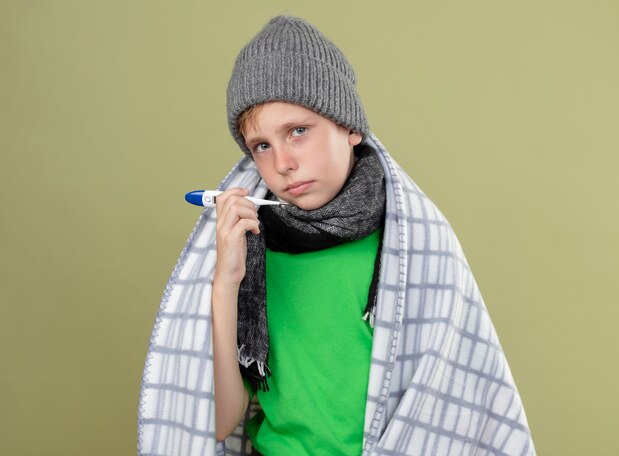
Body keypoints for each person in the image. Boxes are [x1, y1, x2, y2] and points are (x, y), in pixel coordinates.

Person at [138, 15, 535, 456]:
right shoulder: (253, 248)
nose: (282, 162)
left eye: (298, 131)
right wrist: (226, 283)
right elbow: (216, 422)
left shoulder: (413, 247)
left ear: (350, 128)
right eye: (262, 146)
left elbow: (453, 406)